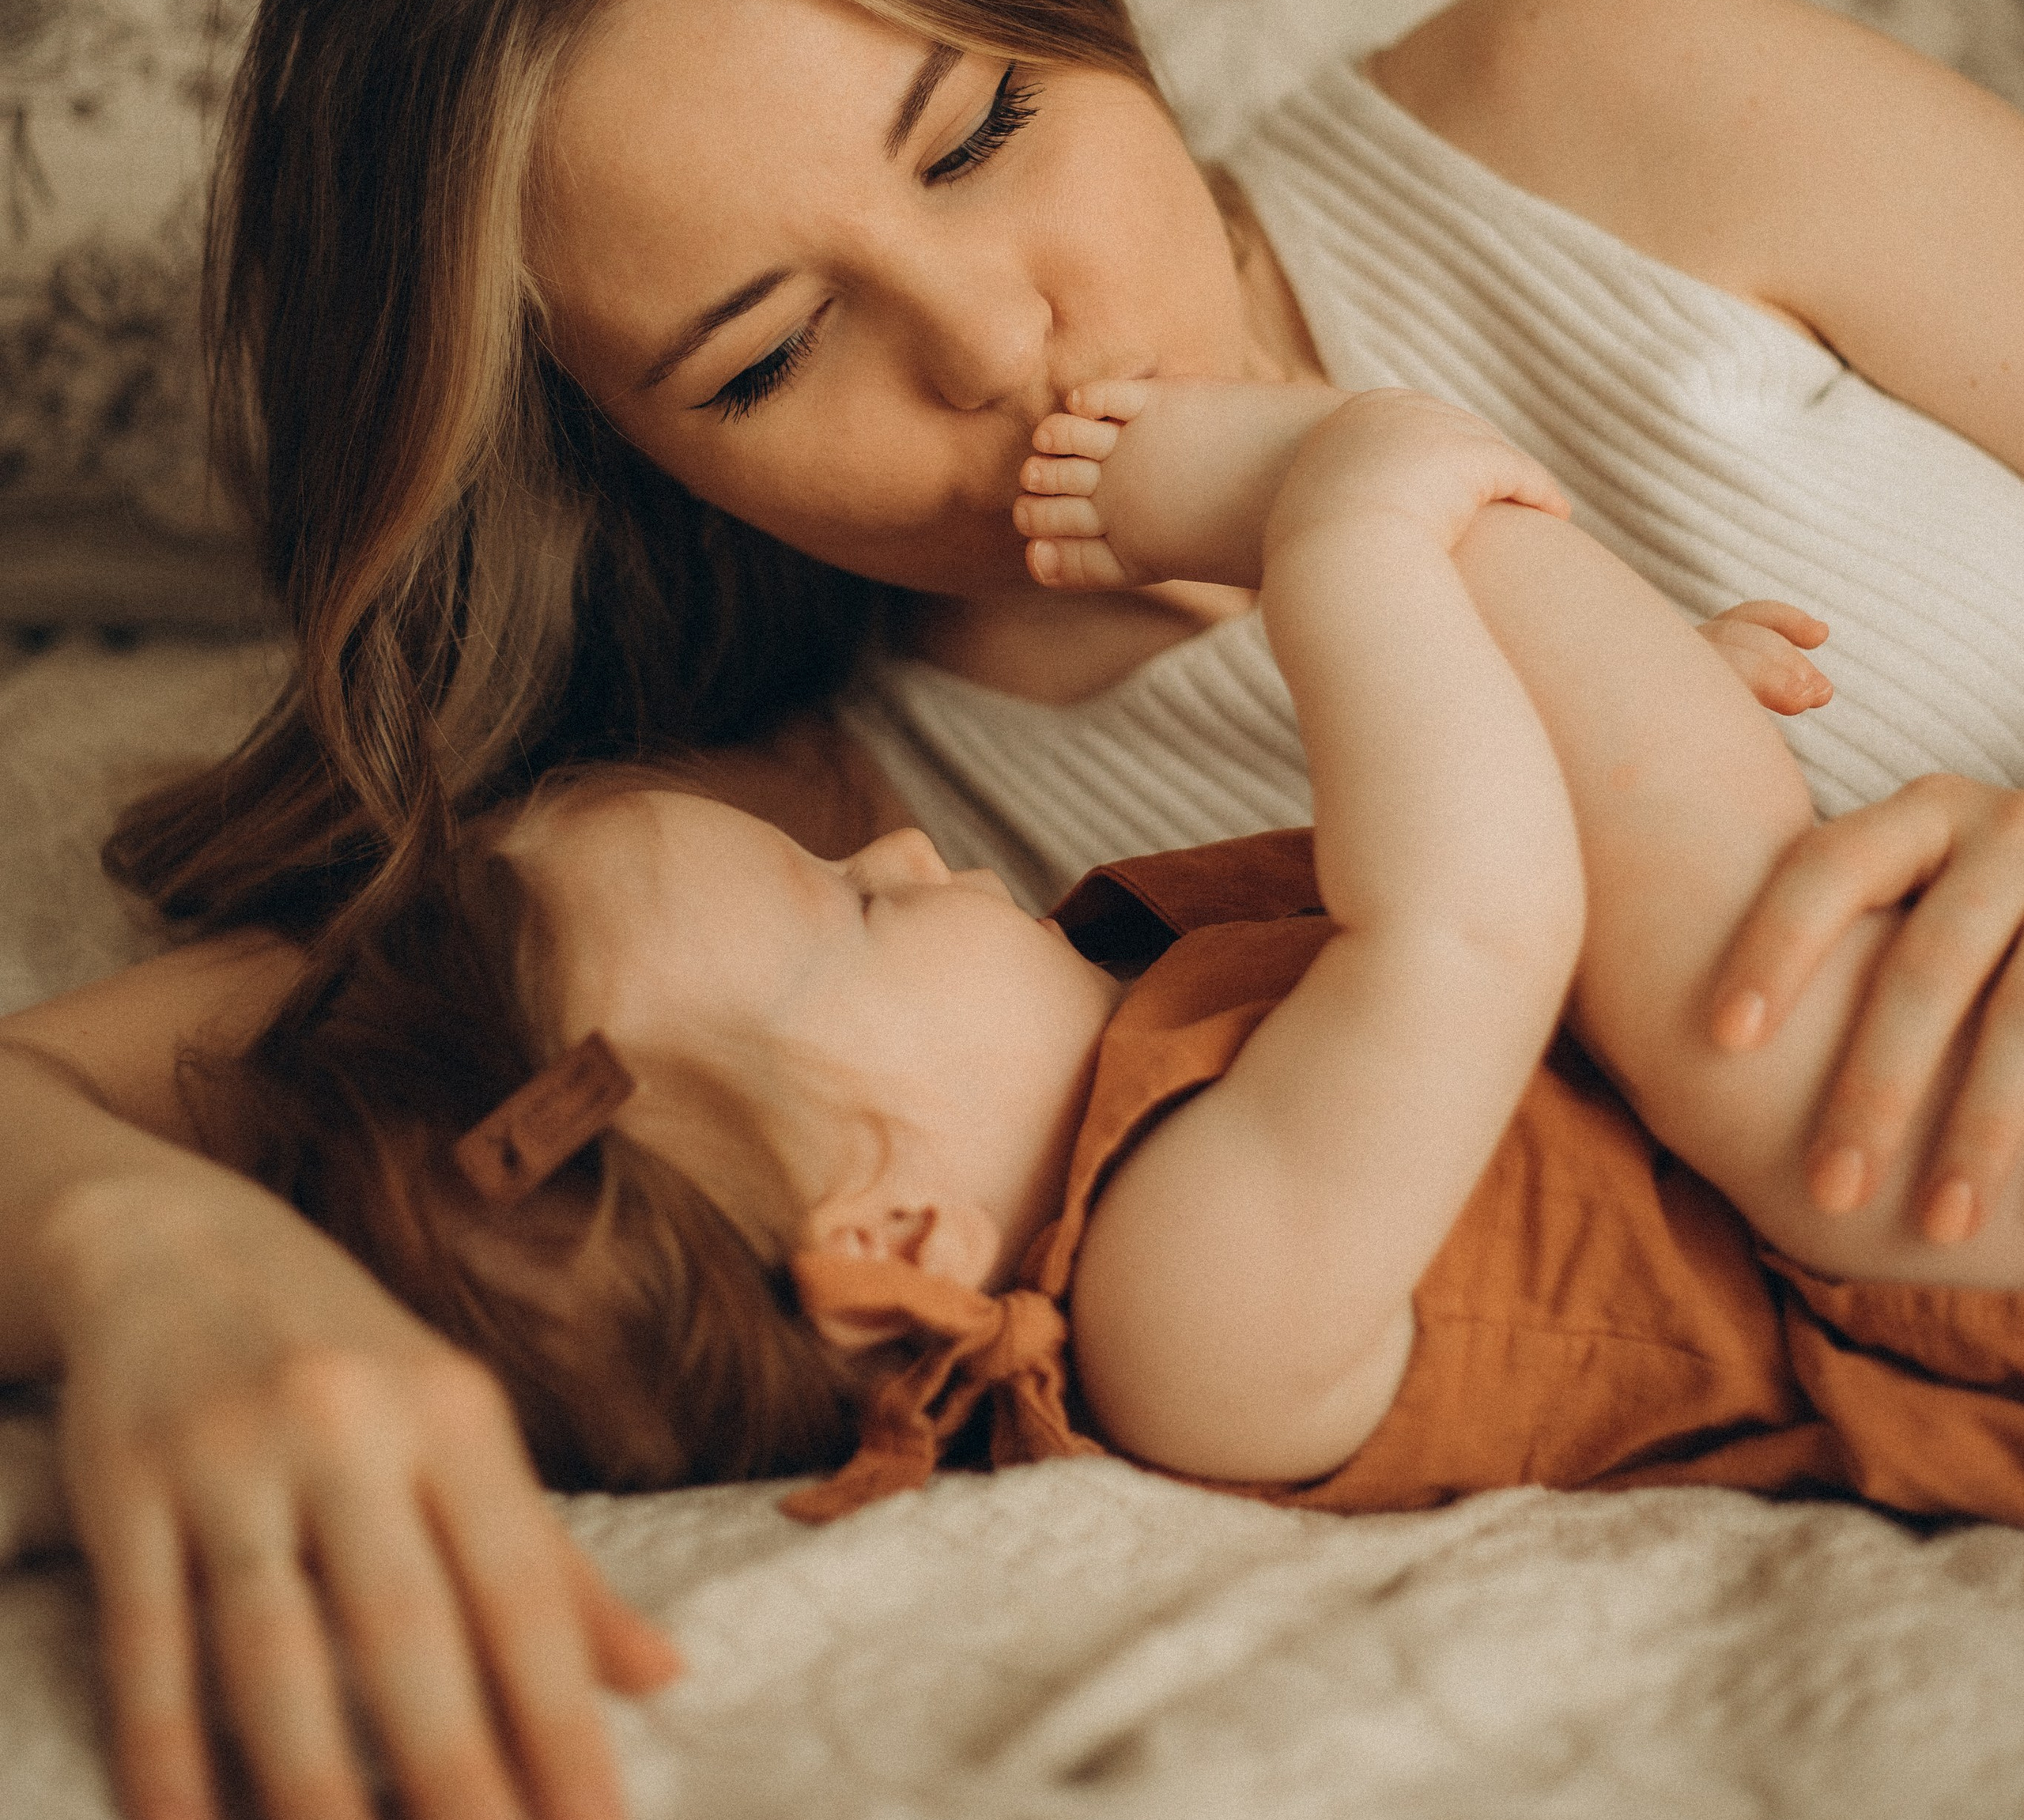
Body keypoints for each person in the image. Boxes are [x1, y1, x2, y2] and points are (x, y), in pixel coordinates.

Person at [8, 0, 2024, 1820]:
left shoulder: (1589, 102)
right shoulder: (832, 843)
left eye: (977, 133)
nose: (989, 341)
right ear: (617, 450)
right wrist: (151, 1257)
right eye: (765, 355)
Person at [210, 379, 2024, 1574]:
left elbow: (1493, 924)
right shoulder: (1180, 1321)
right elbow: (1479, 931)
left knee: (1735, 974)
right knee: (1749, 1028)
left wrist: (1592, 700)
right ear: (894, 1247)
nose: (911, 849)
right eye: (851, 908)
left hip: (1897, 1141)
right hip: (1897, 1249)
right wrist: (1337, 544)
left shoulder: (1144, 1017)